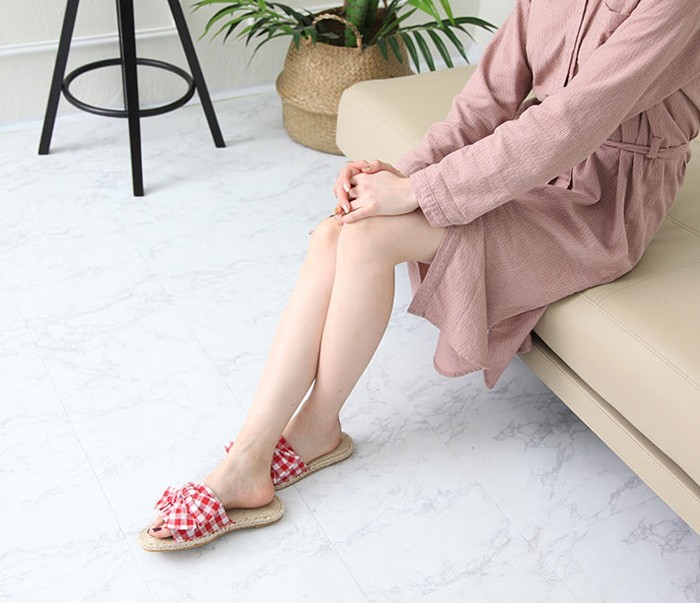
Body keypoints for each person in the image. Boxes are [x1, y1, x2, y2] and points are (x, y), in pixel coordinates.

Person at [139, 0, 700, 551]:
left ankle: (305, 433)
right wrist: (401, 173)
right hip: (523, 169)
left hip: (599, 204)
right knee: (338, 228)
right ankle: (253, 453)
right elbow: (487, 101)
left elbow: (571, 122)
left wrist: (416, 191)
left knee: (370, 236)